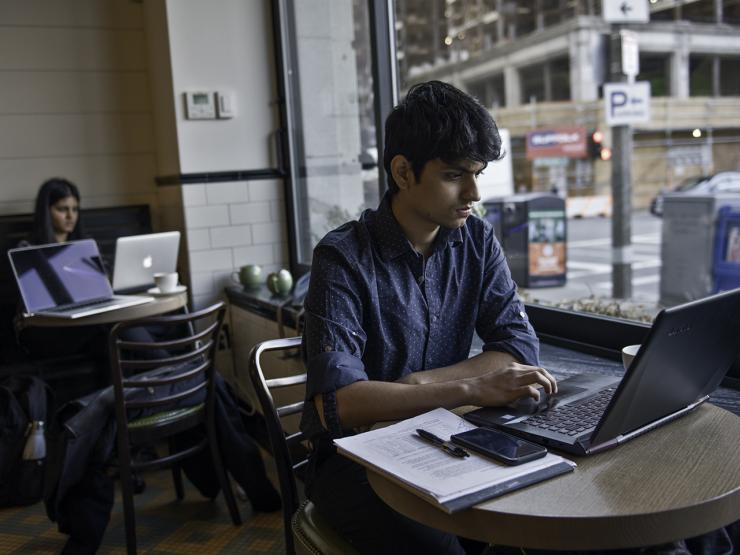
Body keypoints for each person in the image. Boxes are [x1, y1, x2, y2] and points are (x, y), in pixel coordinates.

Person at [299, 81, 555, 554]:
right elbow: (341, 404)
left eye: (477, 173)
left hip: (443, 436)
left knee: (540, 525)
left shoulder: (476, 240)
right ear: (402, 171)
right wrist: (470, 387)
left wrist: (418, 384)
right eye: (455, 175)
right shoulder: (343, 257)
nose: (473, 191)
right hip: (351, 458)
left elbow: (518, 348)